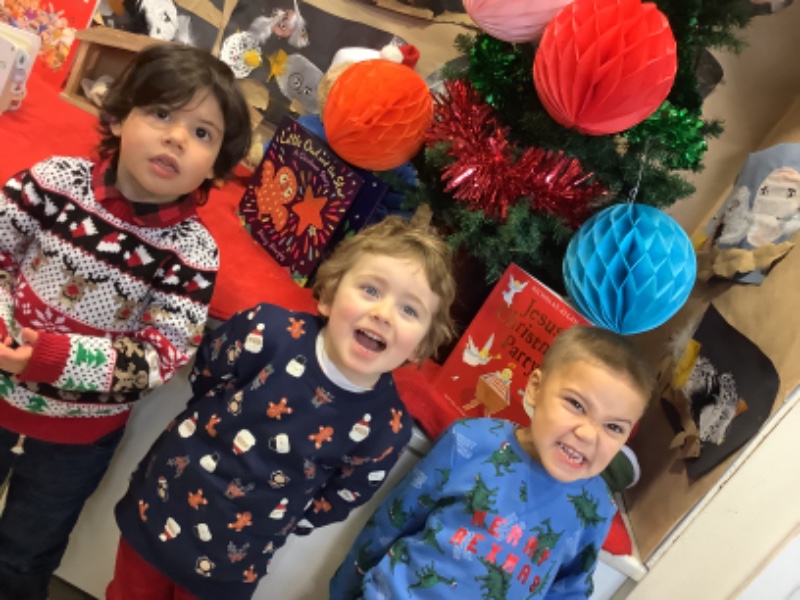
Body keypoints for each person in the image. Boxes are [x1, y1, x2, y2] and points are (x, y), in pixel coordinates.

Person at [0, 44, 251, 599]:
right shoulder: (53, 183)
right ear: (118, 117)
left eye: (202, 133)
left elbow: (161, 355)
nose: (177, 138)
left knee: (23, 558)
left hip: (76, 439)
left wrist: (54, 360)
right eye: (161, 113)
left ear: (216, 166)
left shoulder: (191, 254)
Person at [107, 214, 457, 599]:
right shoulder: (267, 331)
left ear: (422, 346)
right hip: (157, 509)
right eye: (371, 290)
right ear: (329, 295)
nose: (383, 313)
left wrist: (278, 522)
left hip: (231, 565)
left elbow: (340, 497)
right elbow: (209, 370)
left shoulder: (386, 428)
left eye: (409, 310)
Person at [331, 325, 655, 599]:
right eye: (576, 404)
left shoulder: (596, 507)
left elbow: (570, 589)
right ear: (535, 389)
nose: (588, 434)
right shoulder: (470, 441)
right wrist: (343, 591)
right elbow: (395, 518)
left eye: (614, 427)